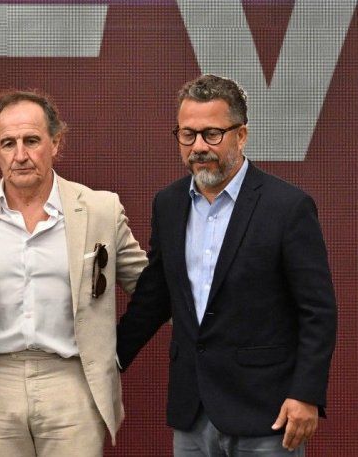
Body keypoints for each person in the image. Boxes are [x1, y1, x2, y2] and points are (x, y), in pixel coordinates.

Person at [117, 74, 337, 456]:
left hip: (267, 413)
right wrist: (110, 359)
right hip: (193, 411)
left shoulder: (287, 207)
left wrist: (306, 394)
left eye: (212, 134)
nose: (199, 146)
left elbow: (317, 311)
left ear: (241, 135)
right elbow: (155, 297)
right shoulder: (168, 204)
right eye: (188, 134)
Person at [0, 90, 149, 456]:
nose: (20, 155)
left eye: (31, 141)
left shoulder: (100, 209)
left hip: (73, 380)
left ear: (55, 142)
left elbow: (149, 289)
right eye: (8, 143)